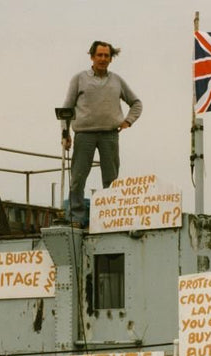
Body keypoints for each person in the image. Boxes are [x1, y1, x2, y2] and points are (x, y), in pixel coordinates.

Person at [61, 41, 142, 227]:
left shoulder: (117, 80)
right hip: (84, 134)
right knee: (78, 177)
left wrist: (128, 121)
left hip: (110, 135)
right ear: (91, 56)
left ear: (111, 58)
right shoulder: (79, 79)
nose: (103, 59)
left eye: (107, 56)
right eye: (100, 55)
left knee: (111, 179)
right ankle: (76, 217)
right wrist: (65, 135)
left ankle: (109, 216)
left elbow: (136, 103)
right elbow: (66, 109)